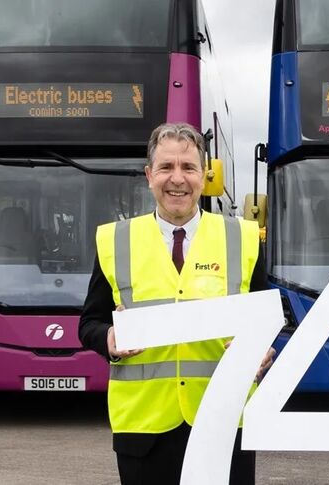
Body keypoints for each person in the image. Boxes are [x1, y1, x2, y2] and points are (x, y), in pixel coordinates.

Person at [77, 122, 271, 485]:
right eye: (166, 167)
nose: (177, 179)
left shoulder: (243, 238)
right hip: (143, 428)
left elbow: (273, 320)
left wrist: (265, 349)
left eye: (188, 167)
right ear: (149, 175)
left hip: (224, 420)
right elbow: (88, 324)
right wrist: (109, 340)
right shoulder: (115, 240)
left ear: (204, 175)